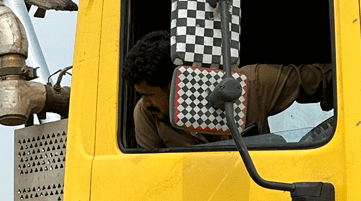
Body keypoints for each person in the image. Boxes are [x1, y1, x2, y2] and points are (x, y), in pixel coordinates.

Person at [122, 31, 334, 148]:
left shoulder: (251, 84)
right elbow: (154, 175)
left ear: (175, 83)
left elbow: (324, 77)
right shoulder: (146, 115)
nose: (146, 104)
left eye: (148, 95)